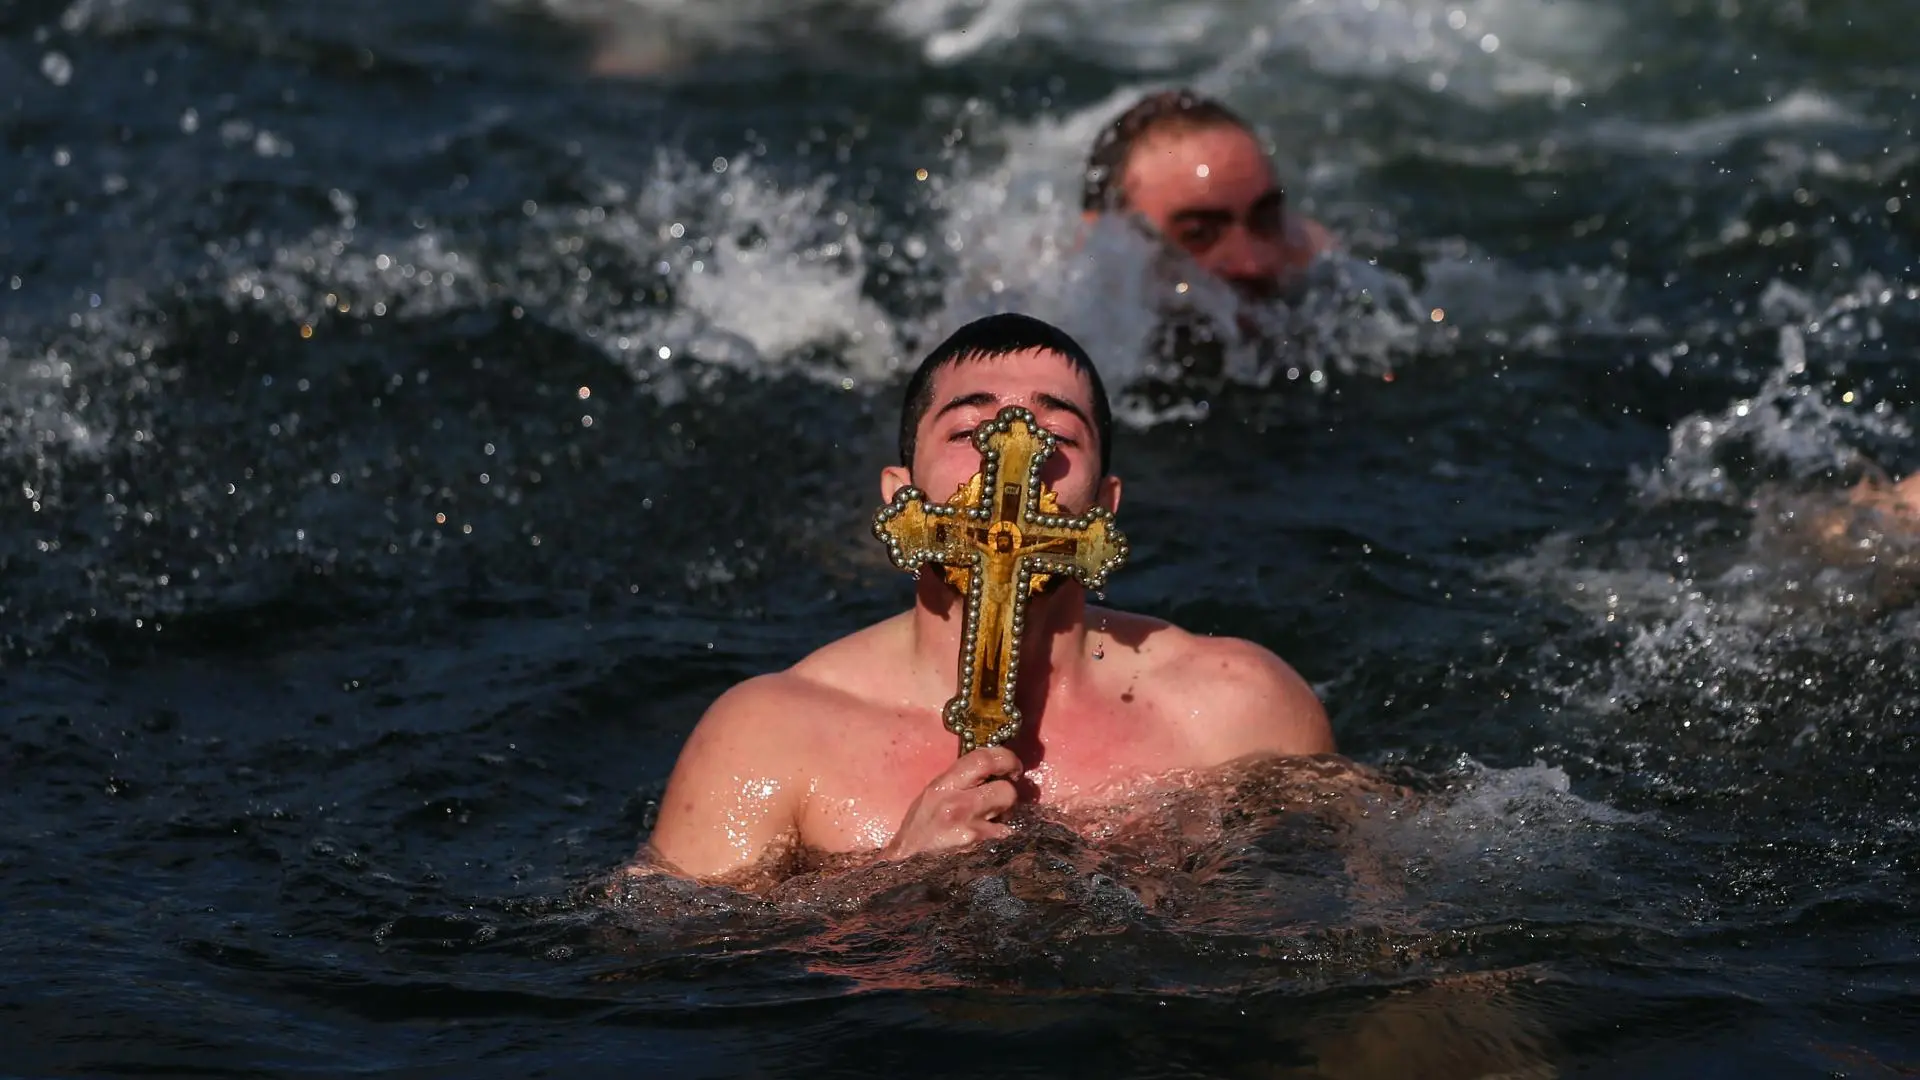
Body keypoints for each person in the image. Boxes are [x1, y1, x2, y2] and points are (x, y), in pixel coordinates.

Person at [640, 313, 1336, 883]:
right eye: (970, 432)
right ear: (899, 495)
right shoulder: (768, 738)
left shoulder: (1238, 710)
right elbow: (669, 974)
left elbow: (1352, 914)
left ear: (1105, 504)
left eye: (1058, 433)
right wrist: (893, 879)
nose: (1017, 454)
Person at [1081, 89, 1337, 303]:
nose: (1252, 265)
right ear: (1109, 243)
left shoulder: (1318, 269)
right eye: (1198, 234)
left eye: (1265, 220)